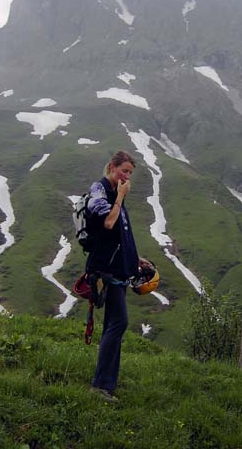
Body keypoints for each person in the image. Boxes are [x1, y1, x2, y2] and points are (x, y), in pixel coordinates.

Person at [86, 150, 150, 402]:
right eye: (124, 171)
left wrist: (136, 258)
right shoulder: (100, 190)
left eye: (130, 173)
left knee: (113, 325)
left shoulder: (115, 194)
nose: (127, 177)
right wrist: (121, 197)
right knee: (119, 323)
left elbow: (121, 235)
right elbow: (108, 223)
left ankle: (107, 383)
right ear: (112, 167)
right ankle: (100, 386)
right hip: (106, 270)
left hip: (119, 268)